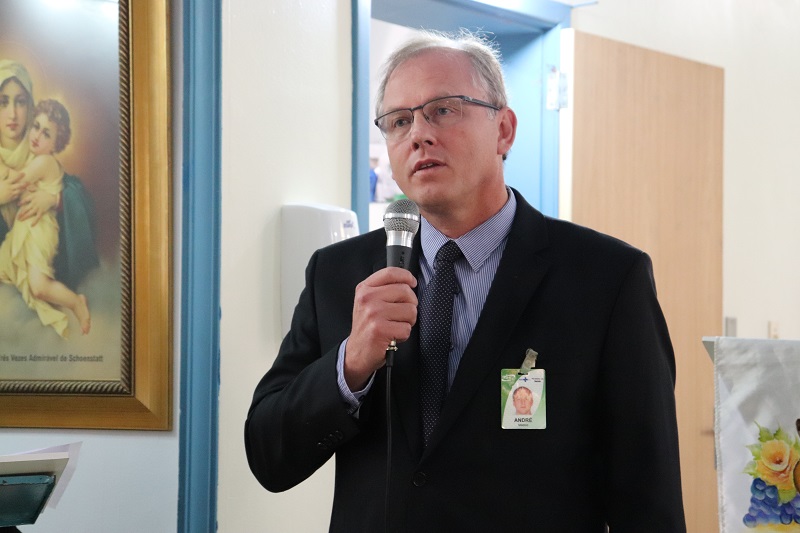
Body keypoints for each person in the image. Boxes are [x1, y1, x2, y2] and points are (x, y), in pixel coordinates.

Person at [246, 30, 686, 532]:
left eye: (443, 110)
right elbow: (268, 455)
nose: (418, 134)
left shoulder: (606, 278)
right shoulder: (338, 273)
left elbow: (648, 495)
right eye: (399, 121)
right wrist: (349, 364)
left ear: (504, 130)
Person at [0, 60, 98, 292]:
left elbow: (82, 200)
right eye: (3, 102)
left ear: (30, 106)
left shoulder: (41, 152)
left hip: (41, 269)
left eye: (20, 102)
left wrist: (56, 200)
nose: (12, 114)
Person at [0, 99, 91, 337]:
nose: (37, 136)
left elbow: (15, 182)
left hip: (39, 232)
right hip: (27, 229)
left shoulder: (44, 162)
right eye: (36, 127)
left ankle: (76, 302)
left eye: (46, 134)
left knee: (39, 287)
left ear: (56, 144)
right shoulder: (35, 159)